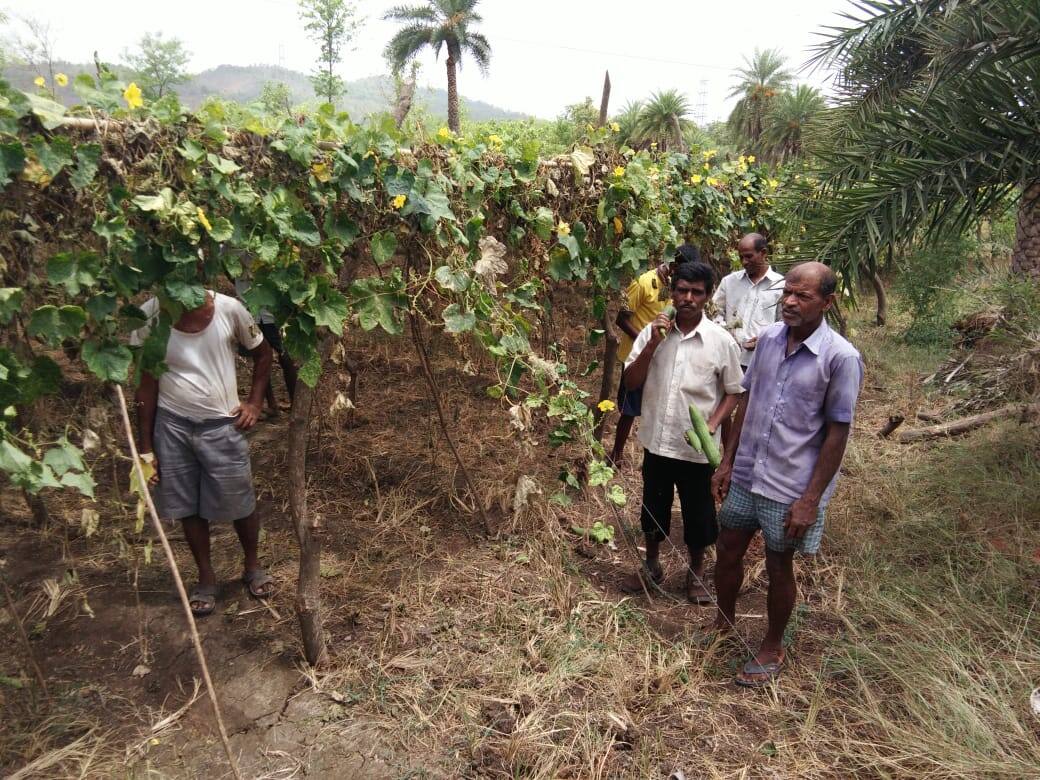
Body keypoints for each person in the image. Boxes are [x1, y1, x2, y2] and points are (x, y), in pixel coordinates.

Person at [711, 261, 863, 686]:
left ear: (827, 302)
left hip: (789, 485)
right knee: (727, 547)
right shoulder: (771, 339)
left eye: (803, 296)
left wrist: (810, 500)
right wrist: (727, 461)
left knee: (779, 565)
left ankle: (772, 645)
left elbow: (837, 434)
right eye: (788, 294)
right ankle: (723, 622)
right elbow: (747, 400)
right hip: (747, 474)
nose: (791, 302)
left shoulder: (840, 358)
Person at [132, 290, 275, 617]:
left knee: (240, 500)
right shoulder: (149, 316)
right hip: (172, 426)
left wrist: (254, 402)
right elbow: (146, 383)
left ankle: (252, 566)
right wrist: (145, 449)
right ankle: (206, 577)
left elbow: (264, 354)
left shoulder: (230, 309)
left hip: (223, 425)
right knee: (187, 504)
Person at [620, 259, 744, 602]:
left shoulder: (720, 341)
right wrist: (651, 345)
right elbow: (631, 382)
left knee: (699, 514)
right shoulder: (652, 332)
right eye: (682, 290)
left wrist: (714, 423)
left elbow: (735, 391)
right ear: (671, 291)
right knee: (652, 508)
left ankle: (697, 574)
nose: (688, 298)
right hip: (656, 441)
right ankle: (652, 565)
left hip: (695, 448)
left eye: (696, 292)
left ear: (706, 297)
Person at [610, 245, 699, 465]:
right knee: (629, 409)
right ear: (675, 265)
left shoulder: (678, 289)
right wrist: (645, 339)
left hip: (661, 356)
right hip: (637, 354)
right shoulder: (645, 283)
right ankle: (616, 455)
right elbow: (621, 319)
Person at [712, 233, 785, 370]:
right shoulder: (729, 282)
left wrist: (765, 339)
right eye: (741, 257)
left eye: (749, 256)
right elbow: (716, 313)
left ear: (763, 253)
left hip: (763, 362)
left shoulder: (780, 285)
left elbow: (784, 323)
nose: (744, 261)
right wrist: (725, 334)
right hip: (729, 360)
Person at [235, 277, 298, 418]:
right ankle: (272, 405)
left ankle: (296, 405)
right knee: (259, 356)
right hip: (249, 316)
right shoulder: (229, 254)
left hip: (273, 315)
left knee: (285, 356)